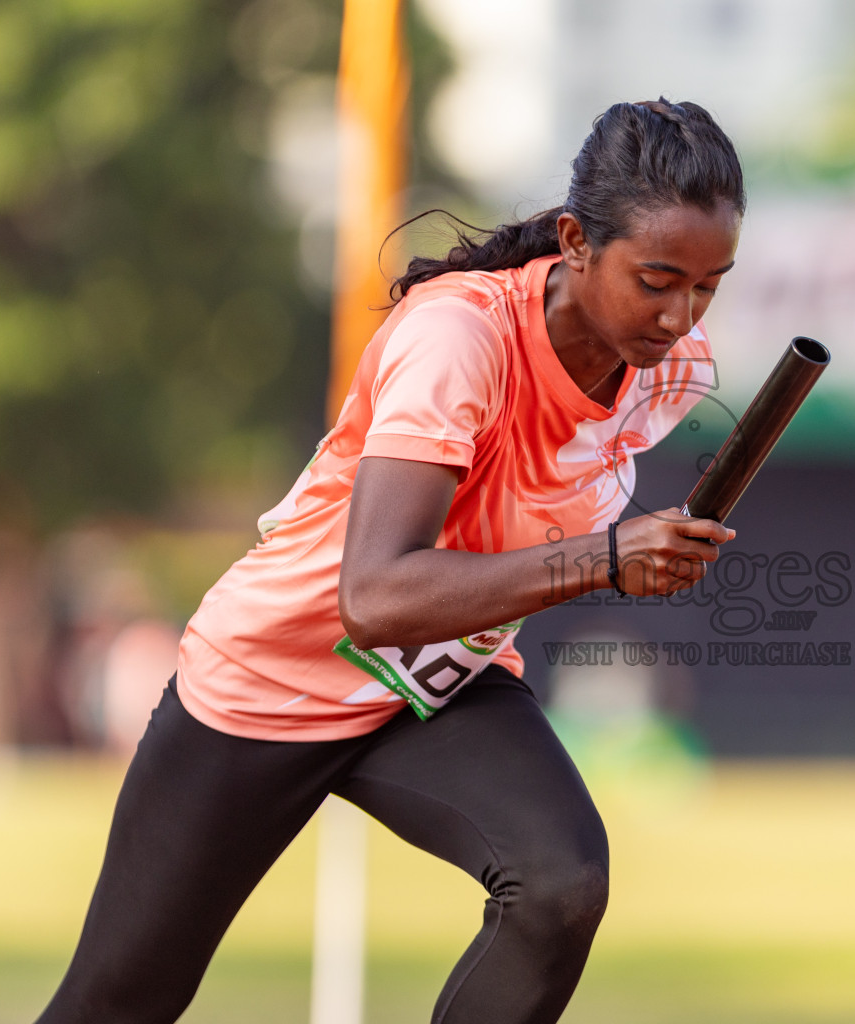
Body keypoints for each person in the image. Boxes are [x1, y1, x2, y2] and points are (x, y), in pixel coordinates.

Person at [36, 97, 745, 1024]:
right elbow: (374, 596)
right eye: (657, 280)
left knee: (561, 883)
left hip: (436, 682)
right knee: (118, 1003)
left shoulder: (671, 368)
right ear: (574, 241)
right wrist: (606, 558)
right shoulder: (457, 341)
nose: (679, 315)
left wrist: (645, 550)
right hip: (273, 682)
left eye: (708, 285)